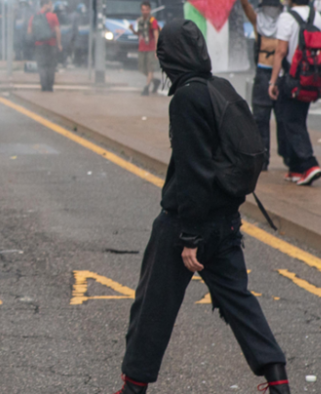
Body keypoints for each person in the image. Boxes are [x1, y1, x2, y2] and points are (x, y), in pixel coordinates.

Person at [113, 20, 291, 394]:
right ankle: (277, 380)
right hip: (226, 223)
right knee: (240, 304)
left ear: (169, 59)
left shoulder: (186, 99)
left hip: (185, 225)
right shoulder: (219, 88)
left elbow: (193, 172)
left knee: (152, 308)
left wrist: (190, 236)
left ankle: (132, 388)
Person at [268, 0, 321, 186]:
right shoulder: (317, 17)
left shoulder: (286, 18)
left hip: (291, 78)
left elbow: (281, 50)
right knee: (296, 119)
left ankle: (309, 163)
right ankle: (295, 168)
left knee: (290, 121)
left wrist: (272, 81)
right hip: (311, 78)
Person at [235, 0, 281, 167]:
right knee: (261, 120)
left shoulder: (284, 21)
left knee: (278, 121)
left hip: (274, 76)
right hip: (266, 74)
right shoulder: (262, 20)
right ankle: (264, 159)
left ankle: (282, 158)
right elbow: (244, 3)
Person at [30, 0, 61, 92]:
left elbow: (29, 31)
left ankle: (43, 86)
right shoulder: (53, 16)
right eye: (50, 4)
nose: (52, 7)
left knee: (41, 66)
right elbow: (58, 31)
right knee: (51, 66)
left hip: (39, 45)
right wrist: (59, 44)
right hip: (51, 44)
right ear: (46, 5)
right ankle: (49, 87)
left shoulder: (34, 17)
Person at [135, 1, 160, 96]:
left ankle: (146, 87)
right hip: (142, 47)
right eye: (143, 10)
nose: (145, 11)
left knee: (150, 69)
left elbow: (156, 34)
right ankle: (155, 81)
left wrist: (156, 49)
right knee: (142, 69)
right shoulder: (140, 21)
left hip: (151, 48)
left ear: (149, 10)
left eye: (146, 9)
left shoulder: (153, 21)